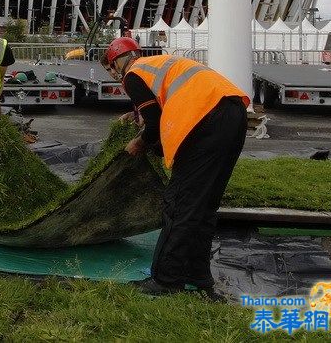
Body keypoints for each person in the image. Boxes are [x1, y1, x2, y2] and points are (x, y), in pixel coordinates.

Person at [101, 37, 249, 299]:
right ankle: (198, 276)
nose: (114, 75)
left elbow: (155, 121)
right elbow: (164, 100)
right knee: (202, 205)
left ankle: (166, 281)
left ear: (117, 64)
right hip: (233, 113)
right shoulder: (156, 65)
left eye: (111, 70)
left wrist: (139, 143)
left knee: (179, 203)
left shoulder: (133, 74)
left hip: (205, 121)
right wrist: (135, 115)